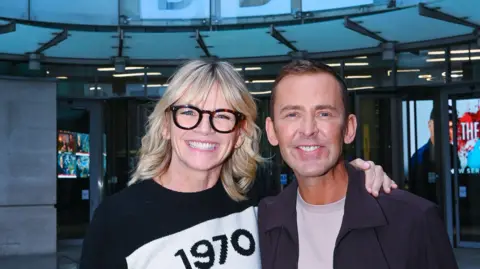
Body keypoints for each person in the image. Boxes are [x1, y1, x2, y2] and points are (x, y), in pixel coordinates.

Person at [79, 59, 395, 269]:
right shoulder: (117, 218)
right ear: (166, 124)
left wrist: (360, 176)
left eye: (222, 116)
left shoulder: (260, 207)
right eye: (189, 112)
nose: (205, 128)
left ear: (240, 132)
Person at [258, 59, 459, 269]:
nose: (308, 129)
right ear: (272, 131)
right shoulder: (262, 221)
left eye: (324, 114)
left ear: (349, 129)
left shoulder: (414, 220)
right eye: (292, 114)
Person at [409, 106, 460, 204]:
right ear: (430, 125)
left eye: (451, 127)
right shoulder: (419, 156)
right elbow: (416, 190)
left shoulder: (453, 152)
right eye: (441, 126)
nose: (446, 132)